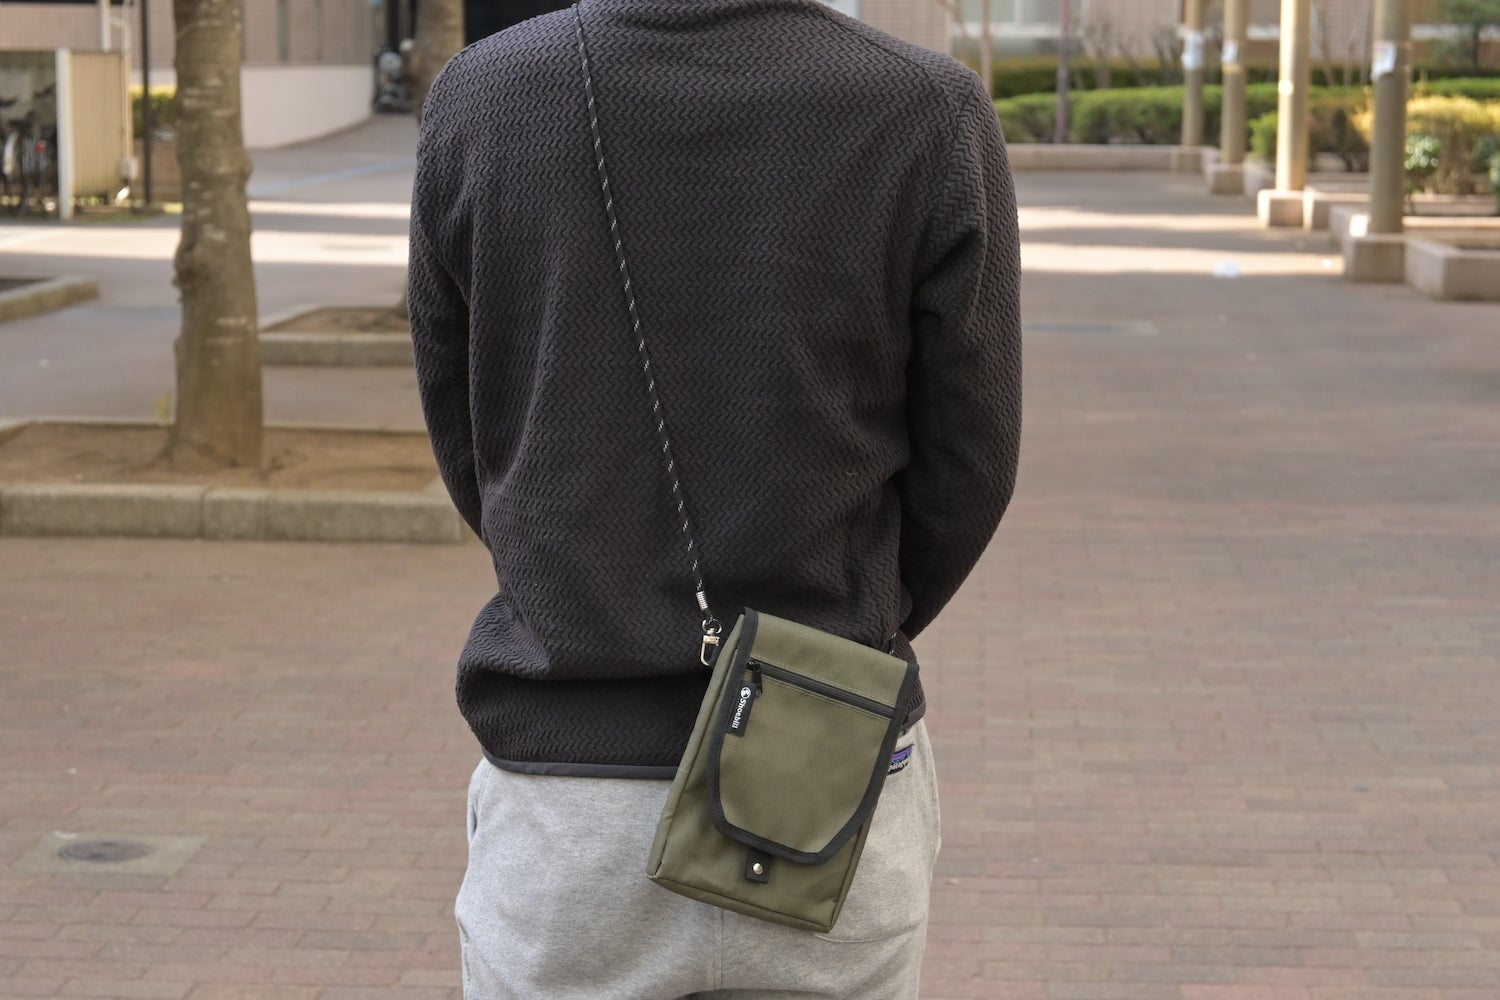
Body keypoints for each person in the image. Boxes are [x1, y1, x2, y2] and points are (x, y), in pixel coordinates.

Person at [407, 0, 1022, 996]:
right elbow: (971, 461)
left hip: (571, 803)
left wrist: (582, 580)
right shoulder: (927, 109)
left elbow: (471, 427)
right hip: (821, 777)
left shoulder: (485, 94)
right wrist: (842, 624)